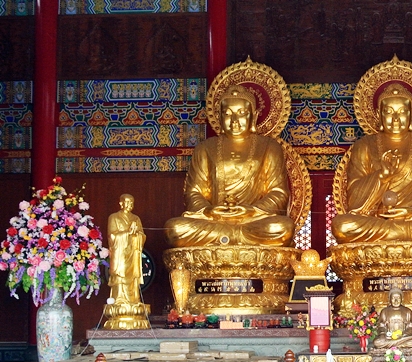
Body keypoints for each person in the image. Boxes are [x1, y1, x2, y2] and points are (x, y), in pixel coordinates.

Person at [331, 83, 412, 243]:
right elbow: (353, 199)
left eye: (401, 112)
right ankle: (401, 234)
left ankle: (396, 233)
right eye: (389, 112)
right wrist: (382, 176)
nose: (395, 119)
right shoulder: (364, 145)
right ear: (378, 114)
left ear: (411, 114)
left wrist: (410, 211)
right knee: (342, 226)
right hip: (377, 220)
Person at [165, 84, 294, 247]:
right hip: (214, 221)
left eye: (241, 114)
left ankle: (226, 239)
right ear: (218, 117)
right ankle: (234, 238)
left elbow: (279, 192)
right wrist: (209, 211)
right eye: (227, 114)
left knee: (283, 228)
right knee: (174, 229)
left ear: (253, 117)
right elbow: (194, 192)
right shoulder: (205, 148)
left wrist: (251, 211)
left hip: (252, 221)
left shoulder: (269, 146)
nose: (234, 121)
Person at [108, 194, 146, 306]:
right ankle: (119, 299)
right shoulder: (114, 217)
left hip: (132, 253)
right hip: (120, 253)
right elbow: (112, 236)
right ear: (121, 203)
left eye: (132, 203)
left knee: (133, 275)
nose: (130, 205)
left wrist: (136, 234)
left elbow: (142, 236)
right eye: (127, 202)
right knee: (121, 274)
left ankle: (134, 299)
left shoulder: (136, 219)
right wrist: (127, 233)